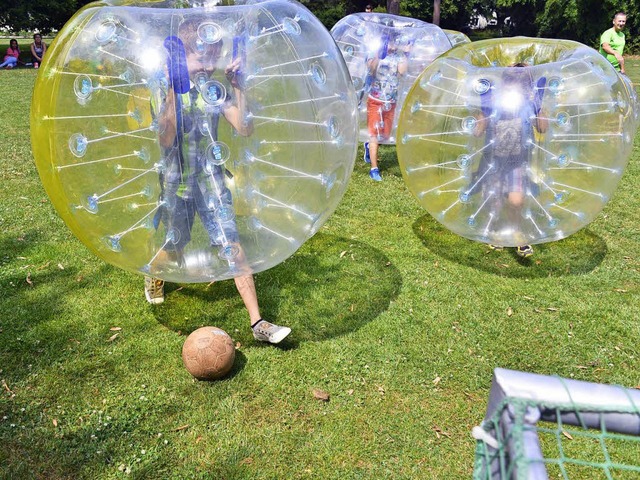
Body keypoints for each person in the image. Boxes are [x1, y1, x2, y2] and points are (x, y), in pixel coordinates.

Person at [144, 22, 291, 344]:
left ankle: (258, 323)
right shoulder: (162, 88)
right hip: (176, 183)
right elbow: (166, 140)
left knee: (232, 247)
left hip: (211, 180)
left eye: (214, 54)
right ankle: (154, 275)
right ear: (183, 57)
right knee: (174, 247)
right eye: (203, 55)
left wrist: (239, 87)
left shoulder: (214, 89)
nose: (211, 63)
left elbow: (244, 128)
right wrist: (174, 86)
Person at [471, 64, 548, 258]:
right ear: (504, 84)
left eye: (520, 84)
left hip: (517, 161)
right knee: (493, 200)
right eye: (510, 83)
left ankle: (516, 231)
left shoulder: (529, 104)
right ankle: (497, 230)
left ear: (526, 87)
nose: (513, 88)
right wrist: (484, 109)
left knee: (516, 200)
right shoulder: (494, 103)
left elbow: (543, 128)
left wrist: (539, 106)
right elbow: (478, 132)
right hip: (493, 161)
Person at [362, 31, 408, 181]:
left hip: (391, 101)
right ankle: (374, 169)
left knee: (384, 135)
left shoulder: (398, 55)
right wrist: (378, 54)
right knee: (374, 134)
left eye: (395, 42)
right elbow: (371, 69)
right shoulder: (375, 52)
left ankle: (369, 147)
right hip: (375, 99)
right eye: (391, 42)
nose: (393, 45)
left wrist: (405, 54)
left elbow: (402, 72)